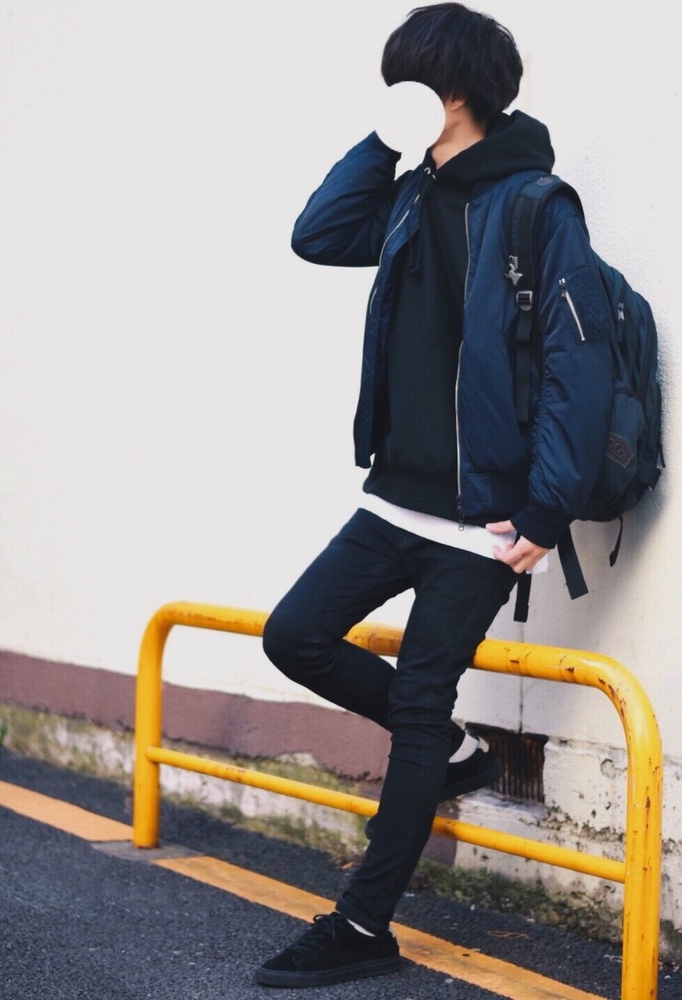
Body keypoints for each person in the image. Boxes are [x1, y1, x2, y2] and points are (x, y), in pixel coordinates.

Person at [256, 3, 613, 989]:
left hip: (483, 518)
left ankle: (363, 925)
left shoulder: (538, 205)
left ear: (450, 91)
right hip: (394, 496)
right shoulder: (411, 192)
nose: (392, 95)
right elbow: (318, 235)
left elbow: (578, 364)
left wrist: (545, 509)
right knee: (295, 635)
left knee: (417, 702)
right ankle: (453, 749)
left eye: (405, 82)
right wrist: (382, 144)